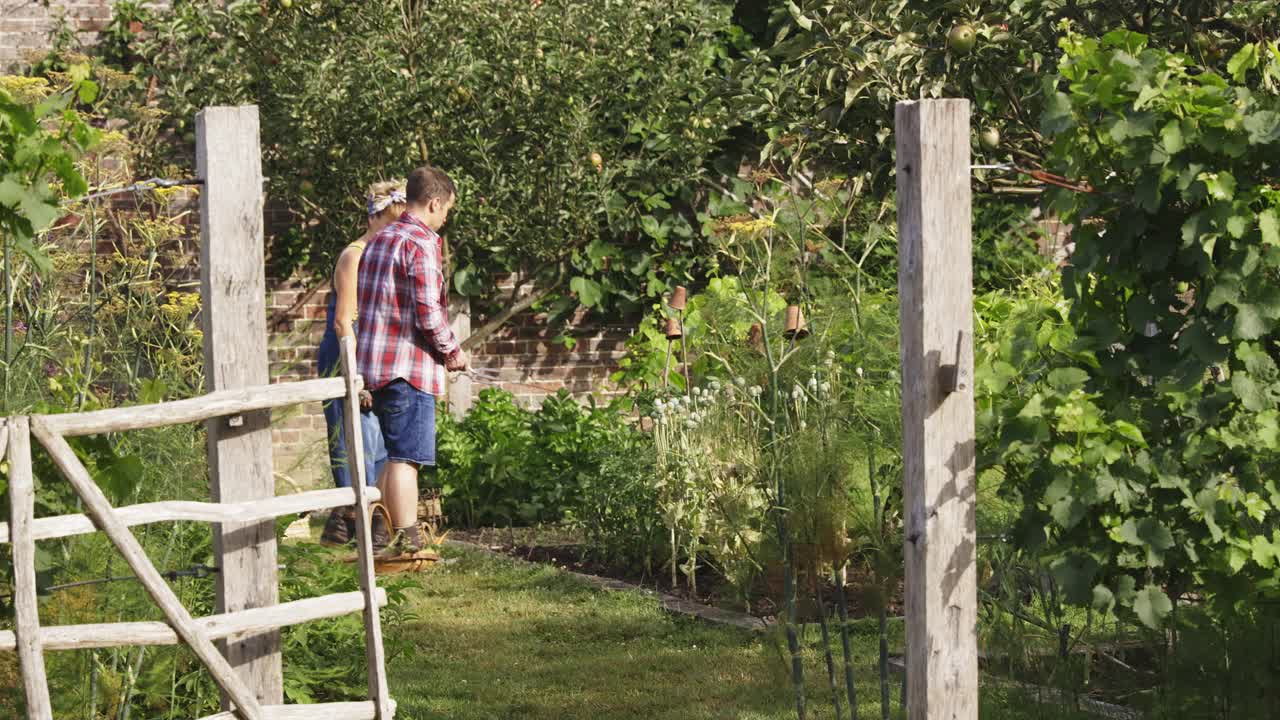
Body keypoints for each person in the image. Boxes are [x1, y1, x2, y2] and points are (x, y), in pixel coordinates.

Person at [356, 166, 467, 554]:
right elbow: (428, 312)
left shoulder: (379, 240)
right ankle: (409, 541)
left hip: (375, 366)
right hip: (407, 369)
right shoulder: (420, 243)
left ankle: (383, 536)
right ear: (435, 202)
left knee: (391, 454)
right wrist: (452, 352)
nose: (446, 218)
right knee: (407, 459)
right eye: (447, 209)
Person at [317, 180, 404, 547]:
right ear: (379, 214)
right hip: (346, 354)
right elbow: (345, 321)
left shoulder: (391, 255)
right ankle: (358, 522)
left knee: (383, 441)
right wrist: (358, 374)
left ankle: (356, 522)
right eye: (397, 219)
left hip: (376, 356)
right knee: (355, 439)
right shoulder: (355, 255)